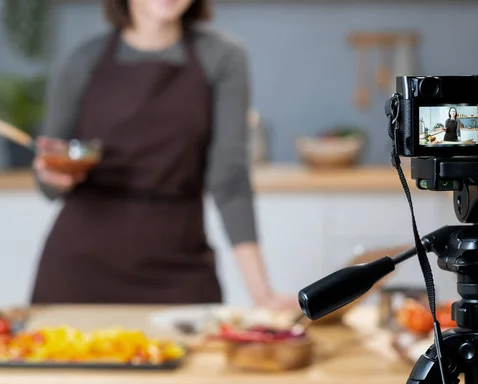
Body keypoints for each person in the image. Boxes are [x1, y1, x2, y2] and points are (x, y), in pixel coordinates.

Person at [30, 0, 296, 309]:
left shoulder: (223, 57)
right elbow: (47, 180)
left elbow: (230, 180)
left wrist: (262, 294)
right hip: (80, 273)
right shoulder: (83, 60)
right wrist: (55, 176)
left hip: (179, 270)